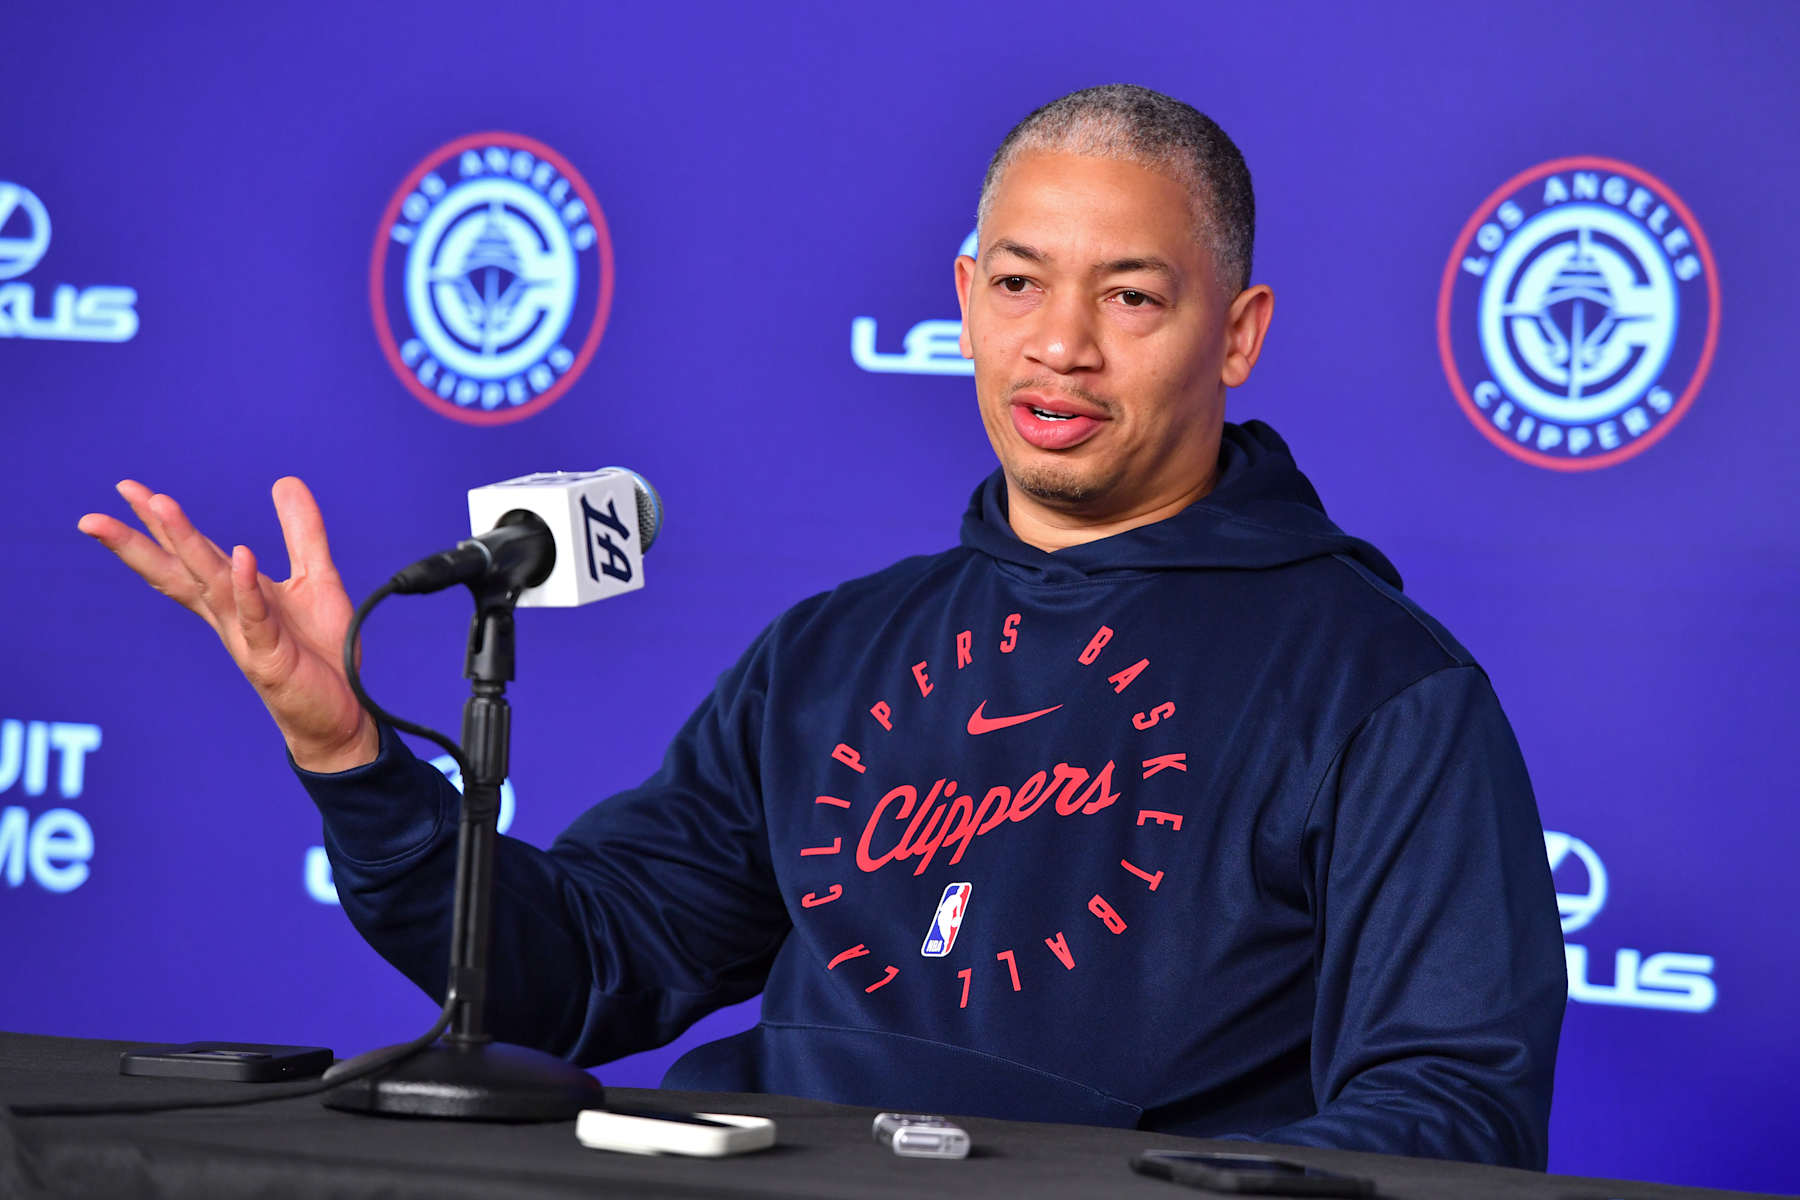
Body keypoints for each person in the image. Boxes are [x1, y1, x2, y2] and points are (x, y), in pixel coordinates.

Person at [79, 85, 1566, 1168]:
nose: (1061, 342)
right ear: (966, 302)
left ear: (1235, 335)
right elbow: (577, 970)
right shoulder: (836, 652)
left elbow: (1448, 1106)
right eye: (1018, 283)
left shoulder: (1384, 688)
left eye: (1132, 297)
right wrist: (347, 754)